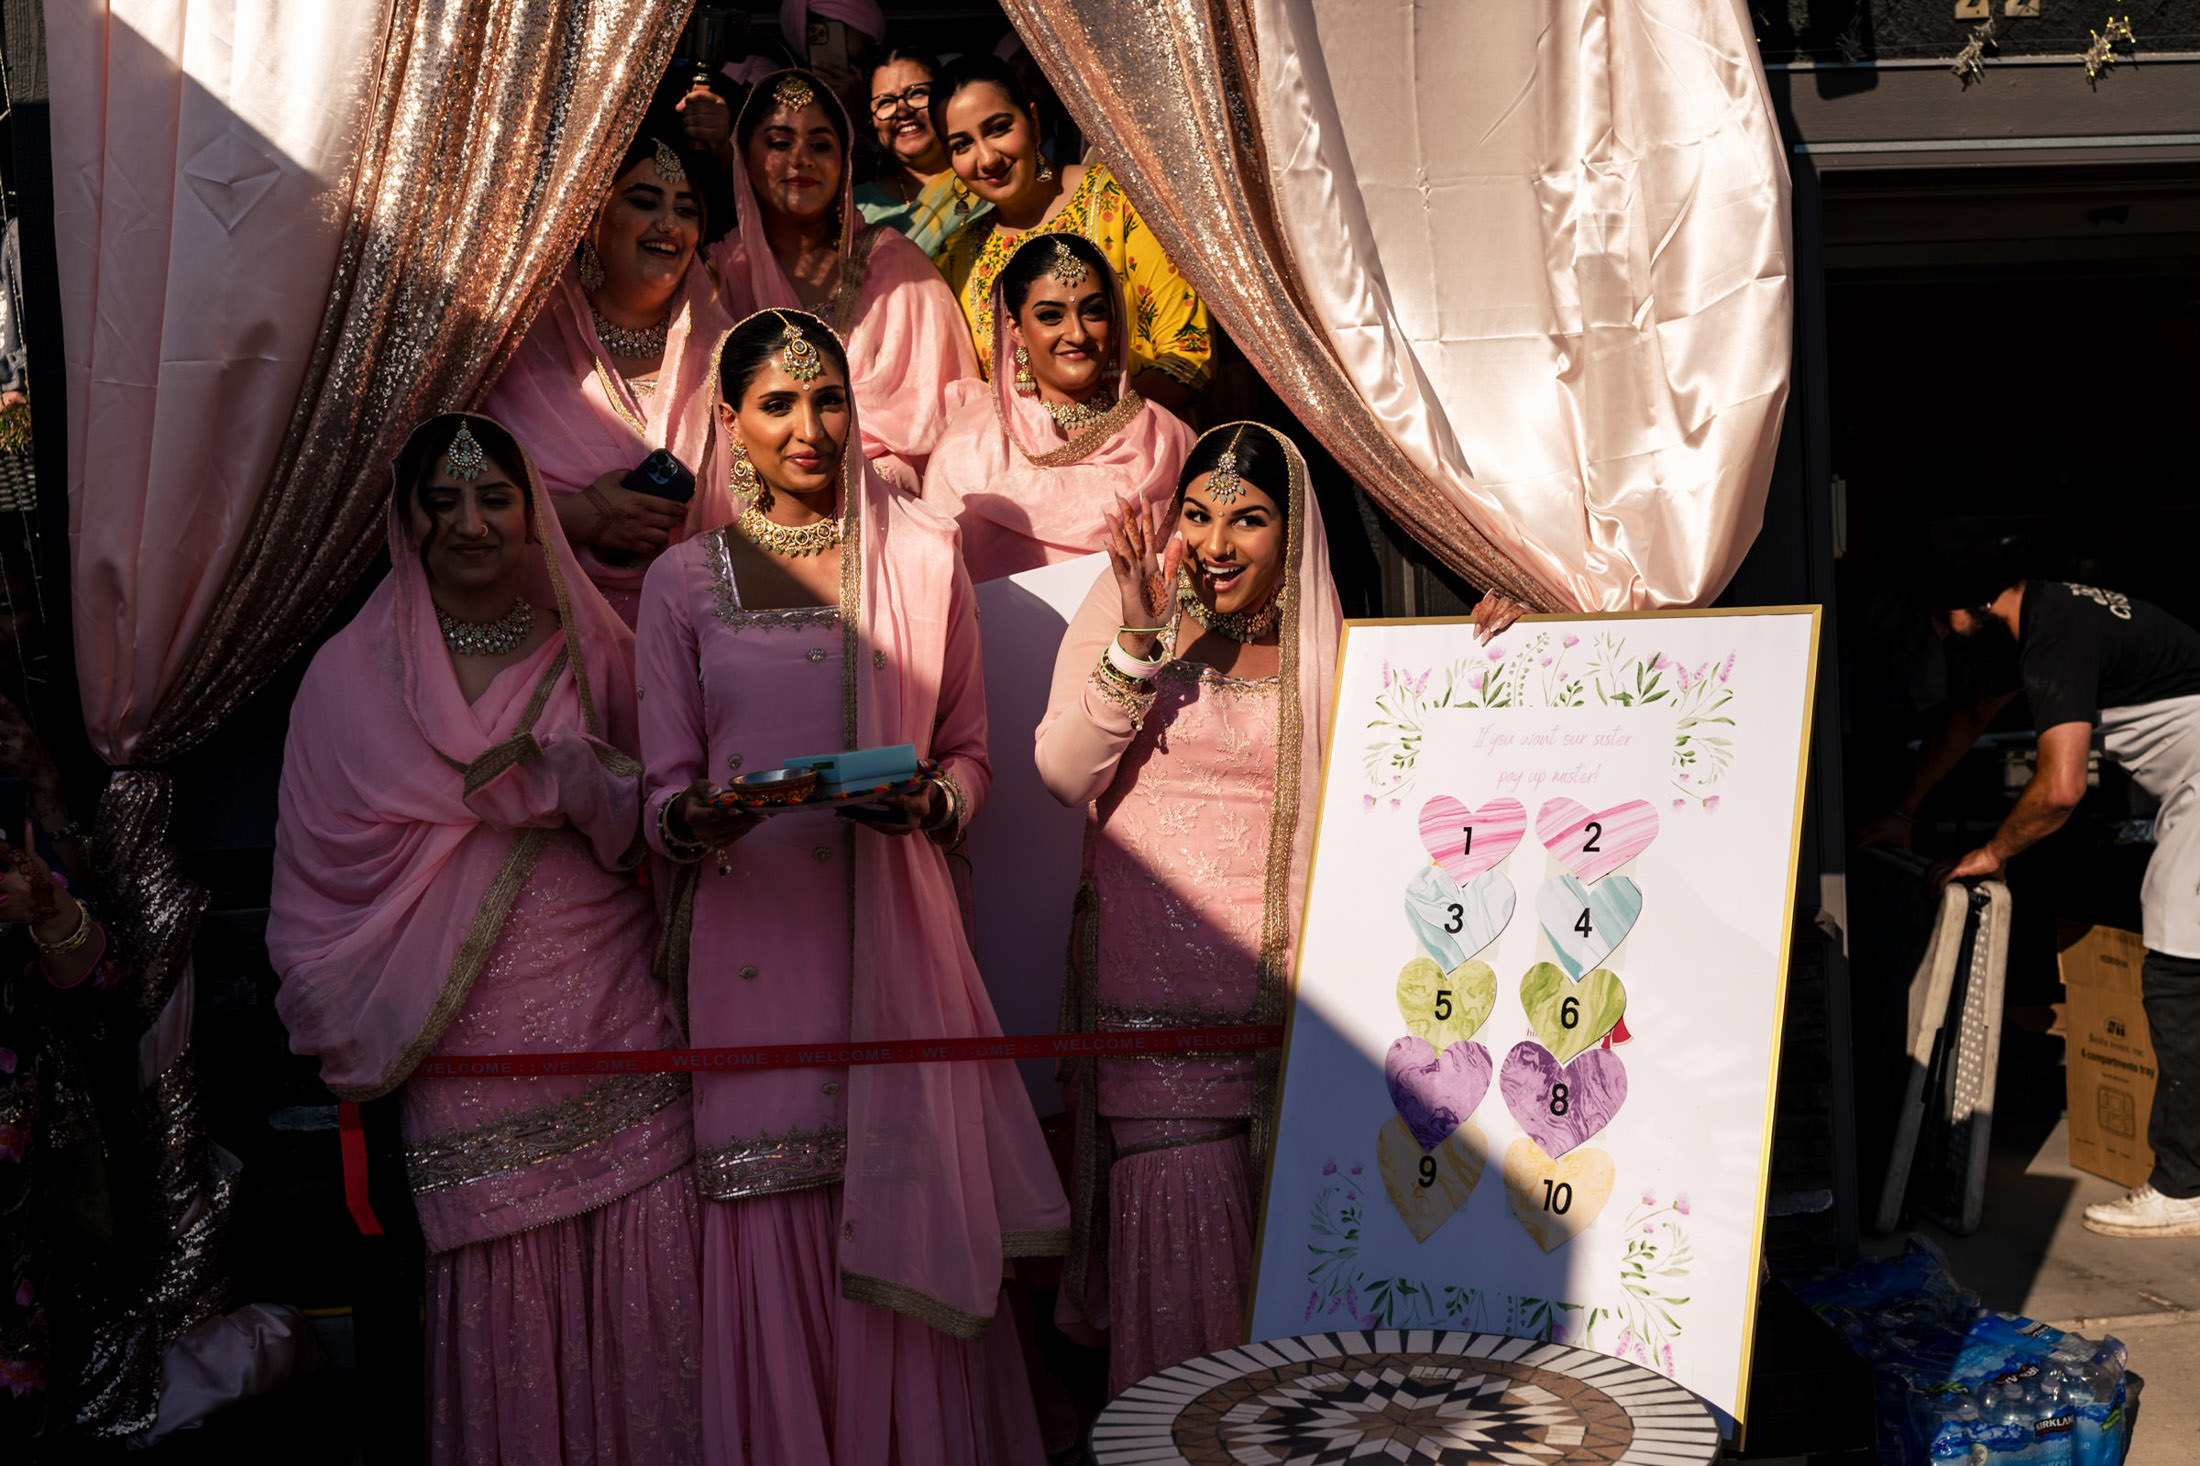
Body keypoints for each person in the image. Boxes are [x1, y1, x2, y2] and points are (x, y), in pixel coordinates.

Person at [637, 310, 1068, 1463]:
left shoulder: (923, 561)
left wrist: (932, 804)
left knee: (902, 1216)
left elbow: (972, 752)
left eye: (826, 398)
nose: (810, 426)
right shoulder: (679, 585)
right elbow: (662, 796)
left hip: (896, 952)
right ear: (728, 423)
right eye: (776, 404)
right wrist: (703, 813)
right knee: (773, 1228)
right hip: (749, 955)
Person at [269, 415, 701, 1464]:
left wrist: (583, 783)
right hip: (459, 1039)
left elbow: (660, 824)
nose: (470, 521)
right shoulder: (347, 677)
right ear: (407, 520)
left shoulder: (594, 643)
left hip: (610, 1009)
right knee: (511, 1303)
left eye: (494, 497)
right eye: (443, 500)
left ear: (532, 510)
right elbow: (325, 870)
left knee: (650, 1286)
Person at [1862, 537, 2200, 1240]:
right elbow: (1969, 718)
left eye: (1935, 616)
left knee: (2175, 973)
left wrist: (1991, 852)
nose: (1933, 631)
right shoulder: (2037, 615)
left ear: (1969, 607)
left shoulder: (2057, 634)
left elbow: (2060, 788)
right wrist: (1901, 813)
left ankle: (2183, 1186)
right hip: (2186, 789)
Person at [481, 127, 740, 624]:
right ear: (589, 217)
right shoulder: (517, 350)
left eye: (686, 210)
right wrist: (579, 517)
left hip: (696, 635)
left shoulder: (727, 359)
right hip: (545, 636)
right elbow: (452, 506)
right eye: (645, 201)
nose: (669, 223)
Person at [723, 69, 977, 494]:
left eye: (820, 145)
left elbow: (955, 421)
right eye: (779, 143)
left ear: (845, 161)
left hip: (894, 507)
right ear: (744, 157)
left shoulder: (897, 266)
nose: (801, 159)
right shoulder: (717, 275)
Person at [930, 56, 1212, 413]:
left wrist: (1093, 438)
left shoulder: (1124, 201)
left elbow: (1189, 355)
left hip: (1143, 452)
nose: (986, 159)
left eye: (998, 128)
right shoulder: (955, 259)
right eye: (962, 145)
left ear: (1033, 121)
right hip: (1018, 464)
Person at [922, 232, 1192, 583]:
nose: (1077, 334)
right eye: (1051, 316)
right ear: (1014, 327)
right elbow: (940, 583)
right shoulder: (969, 448)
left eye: (1093, 311)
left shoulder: (1166, 440)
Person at [853, 48, 992, 258]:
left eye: (917, 93)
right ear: (872, 120)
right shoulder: (856, 207)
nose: (902, 110)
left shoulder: (989, 176)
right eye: (885, 102)